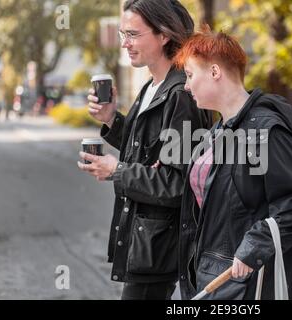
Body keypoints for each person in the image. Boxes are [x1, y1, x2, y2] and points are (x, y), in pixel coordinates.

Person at [174, 29, 292, 300]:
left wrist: (255, 245)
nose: (186, 85)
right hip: (214, 278)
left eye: (190, 74)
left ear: (215, 72)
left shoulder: (265, 130)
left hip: (251, 283)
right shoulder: (215, 133)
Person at [77, 0, 209, 300]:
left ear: (164, 34)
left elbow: (180, 185)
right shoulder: (152, 87)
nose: (125, 43)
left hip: (160, 246)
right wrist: (111, 118)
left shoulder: (181, 97)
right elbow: (146, 151)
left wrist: (117, 170)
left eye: (133, 34)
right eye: (124, 34)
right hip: (142, 239)